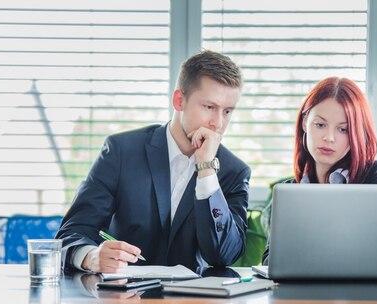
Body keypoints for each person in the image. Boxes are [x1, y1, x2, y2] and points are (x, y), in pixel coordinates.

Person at [56, 50, 251, 273]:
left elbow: (224, 255)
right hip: (124, 298)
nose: (218, 123)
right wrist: (91, 257)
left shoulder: (234, 171)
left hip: (195, 303)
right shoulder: (122, 151)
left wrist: (207, 171)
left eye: (227, 111)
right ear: (179, 100)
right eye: (209, 107)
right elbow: (72, 233)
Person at [262, 77, 377, 264]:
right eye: (320, 125)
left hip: (360, 292)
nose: (329, 138)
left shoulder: (376, 175)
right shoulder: (290, 191)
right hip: (302, 292)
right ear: (304, 123)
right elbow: (270, 262)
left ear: (356, 133)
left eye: (343, 129)